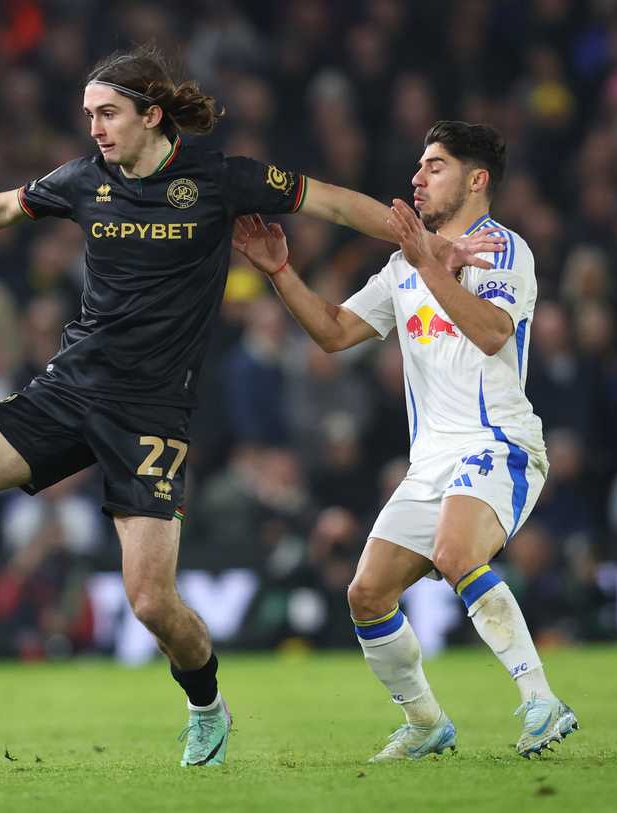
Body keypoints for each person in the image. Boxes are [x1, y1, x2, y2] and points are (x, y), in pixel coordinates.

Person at [0, 48, 500, 767]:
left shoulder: (220, 178)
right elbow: (1, 207)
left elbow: (336, 202)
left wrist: (430, 246)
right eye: (89, 114)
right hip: (69, 388)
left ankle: (207, 705)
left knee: (151, 602)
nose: (94, 128)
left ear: (151, 115)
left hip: (151, 414)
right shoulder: (85, 180)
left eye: (108, 113)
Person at [231, 121, 578, 761]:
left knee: (455, 552)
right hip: (431, 462)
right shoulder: (401, 268)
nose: (417, 178)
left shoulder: (503, 250)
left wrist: (427, 263)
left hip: (497, 440)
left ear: (477, 180)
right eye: (418, 166)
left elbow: (493, 333)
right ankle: (425, 723)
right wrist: (281, 271)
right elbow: (334, 333)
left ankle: (541, 702)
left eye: (435, 166)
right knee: (366, 594)